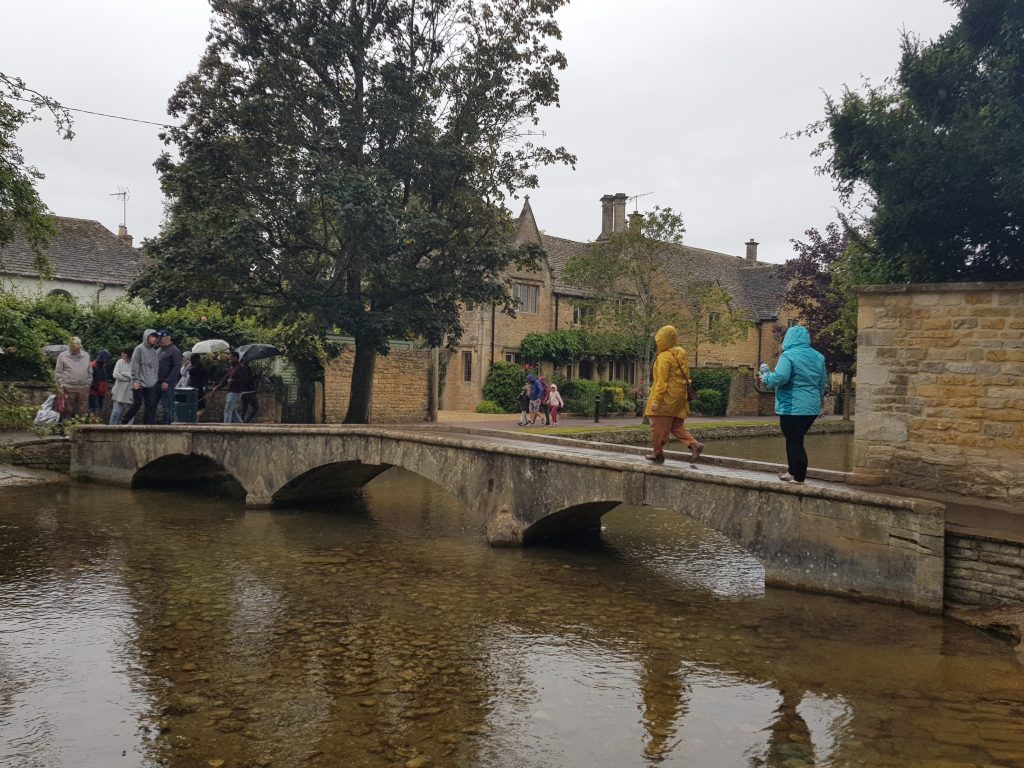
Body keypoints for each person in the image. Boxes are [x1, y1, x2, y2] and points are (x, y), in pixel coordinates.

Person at [759, 324, 827, 484]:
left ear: (788, 338)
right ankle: (791, 472)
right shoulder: (818, 357)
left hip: (792, 406)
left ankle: (799, 478)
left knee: (795, 441)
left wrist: (766, 378)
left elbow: (780, 378)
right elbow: (822, 382)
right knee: (794, 439)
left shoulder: (788, 355)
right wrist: (817, 400)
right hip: (811, 408)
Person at [644, 325, 704, 464]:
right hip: (679, 397)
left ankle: (658, 454)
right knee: (675, 426)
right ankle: (694, 445)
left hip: (666, 398)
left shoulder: (664, 357)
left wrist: (656, 400)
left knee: (657, 426)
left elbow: (661, 381)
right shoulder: (680, 354)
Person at [121, 329, 161, 425]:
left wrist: (154, 379)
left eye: (156, 337)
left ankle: (148, 426)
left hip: (151, 384)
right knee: (137, 404)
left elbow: (156, 367)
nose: (154, 339)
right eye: (152, 336)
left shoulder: (154, 352)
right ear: (146, 337)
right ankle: (124, 422)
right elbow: (135, 366)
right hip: (139, 383)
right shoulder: (139, 349)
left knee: (151, 405)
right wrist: (135, 381)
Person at [54, 336, 91, 420]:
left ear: (79, 347)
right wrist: (61, 386)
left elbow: (90, 371)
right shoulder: (62, 356)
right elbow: (58, 372)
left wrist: (88, 383)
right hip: (68, 387)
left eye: (76, 348)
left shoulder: (86, 356)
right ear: (69, 347)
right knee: (67, 410)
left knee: (82, 410)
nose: (74, 350)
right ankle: (67, 426)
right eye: (72, 348)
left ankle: (81, 426)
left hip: (83, 388)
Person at [155, 329, 183, 424]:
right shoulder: (158, 350)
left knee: (167, 406)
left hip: (168, 384)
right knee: (151, 404)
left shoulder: (174, 350)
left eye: (160, 338)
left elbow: (176, 367)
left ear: (167, 338)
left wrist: (167, 381)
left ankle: (168, 424)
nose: (158, 339)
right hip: (156, 382)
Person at [211, 350, 246, 423]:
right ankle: (242, 426)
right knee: (233, 411)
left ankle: (226, 427)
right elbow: (225, 379)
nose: (229, 359)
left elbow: (244, 380)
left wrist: (233, 380)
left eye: (231, 357)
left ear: (236, 358)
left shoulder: (241, 368)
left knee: (227, 410)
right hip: (230, 391)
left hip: (236, 392)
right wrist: (217, 387)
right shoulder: (231, 368)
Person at [109, 347, 135, 425]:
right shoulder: (119, 362)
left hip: (131, 390)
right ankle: (111, 428)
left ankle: (128, 429)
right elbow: (115, 374)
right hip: (119, 389)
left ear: (127, 354)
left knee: (130, 413)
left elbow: (135, 376)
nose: (122, 354)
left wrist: (124, 373)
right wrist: (128, 378)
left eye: (123, 353)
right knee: (115, 412)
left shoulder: (135, 363)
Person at [88, 350, 112, 420]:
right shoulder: (93, 365)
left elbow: (105, 378)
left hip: (101, 392)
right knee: (94, 409)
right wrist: (97, 386)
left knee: (99, 409)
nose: (107, 361)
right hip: (94, 392)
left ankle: (96, 422)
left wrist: (105, 389)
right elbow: (89, 378)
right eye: (106, 359)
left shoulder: (103, 366)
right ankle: (93, 423)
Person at [186, 353, 209, 419]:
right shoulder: (202, 368)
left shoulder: (191, 368)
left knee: (193, 405)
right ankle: (195, 416)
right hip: (199, 389)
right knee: (202, 407)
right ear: (198, 359)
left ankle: (193, 417)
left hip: (191, 389)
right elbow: (206, 376)